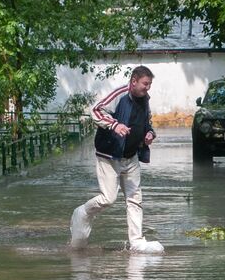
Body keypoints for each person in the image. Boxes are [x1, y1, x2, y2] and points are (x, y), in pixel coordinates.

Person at [70, 66, 164, 252]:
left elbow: (148, 123)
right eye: (145, 84)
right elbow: (95, 111)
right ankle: (82, 212)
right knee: (108, 198)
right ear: (134, 81)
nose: (148, 88)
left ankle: (136, 241)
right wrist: (114, 125)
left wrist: (150, 134)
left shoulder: (145, 100)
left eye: (150, 84)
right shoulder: (120, 95)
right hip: (109, 156)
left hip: (131, 156)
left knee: (135, 199)